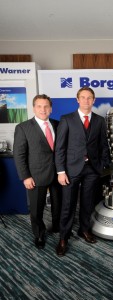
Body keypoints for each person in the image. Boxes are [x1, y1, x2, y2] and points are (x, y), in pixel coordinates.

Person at [55, 86, 110, 256]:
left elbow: (103, 145)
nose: (86, 101)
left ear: (94, 100)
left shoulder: (100, 121)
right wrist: (61, 171)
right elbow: (60, 148)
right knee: (68, 205)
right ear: (77, 100)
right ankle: (64, 237)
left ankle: (84, 230)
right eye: (83, 97)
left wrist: (102, 165)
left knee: (88, 203)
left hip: (92, 169)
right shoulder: (67, 119)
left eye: (89, 98)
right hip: (71, 169)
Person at [13, 94, 61, 249]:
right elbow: (19, 154)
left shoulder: (58, 124)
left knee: (58, 204)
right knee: (36, 209)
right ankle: (39, 235)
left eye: (46, 106)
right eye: (39, 106)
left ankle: (57, 227)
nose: (43, 109)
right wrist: (25, 176)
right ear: (34, 108)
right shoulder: (23, 127)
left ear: (51, 109)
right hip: (36, 175)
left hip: (58, 174)